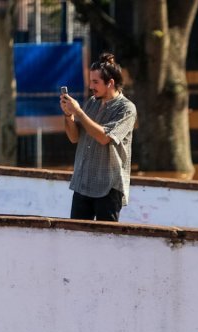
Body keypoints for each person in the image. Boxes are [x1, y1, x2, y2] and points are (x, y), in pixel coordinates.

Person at [61, 53, 137, 222]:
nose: (91, 86)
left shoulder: (127, 109)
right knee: (77, 237)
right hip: (83, 182)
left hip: (108, 187)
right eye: (90, 81)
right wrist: (69, 116)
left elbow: (104, 138)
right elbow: (74, 138)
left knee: (106, 241)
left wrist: (79, 112)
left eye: (95, 82)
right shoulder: (92, 102)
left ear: (110, 83)